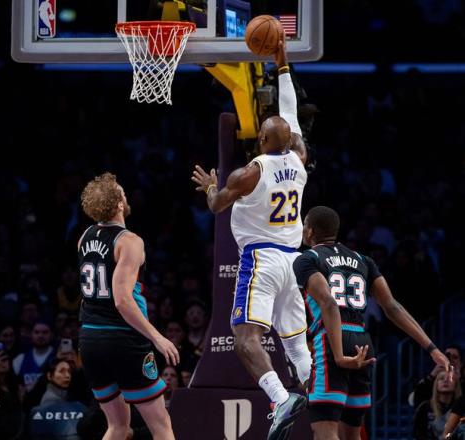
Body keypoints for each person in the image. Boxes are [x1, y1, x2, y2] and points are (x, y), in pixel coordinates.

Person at [191, 39, 360, 440]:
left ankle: (280, 398)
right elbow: (290, 111)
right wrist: (282, 64)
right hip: (294, 260)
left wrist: (211, 186)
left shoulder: (248, 173)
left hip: (262, 259)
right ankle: (322, 400)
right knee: (296, 344)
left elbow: (216, 206)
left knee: (244, 338)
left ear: (263, 141)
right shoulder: (300, 158)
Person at [293, 206, 451, 440]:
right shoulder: (362, 260)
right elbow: (392, 307)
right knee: (352, 434)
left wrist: (339, 356)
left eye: (305, 224)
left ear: (310, 231)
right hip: (362, 342)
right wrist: (432, 348)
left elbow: (329, 303)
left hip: (331, 341)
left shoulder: (307, 259)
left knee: (324, 431)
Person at [78, 172, 179, 440]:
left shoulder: (84, 237)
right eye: (122, 192)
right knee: (161, 425)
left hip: (90, 338)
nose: (125, 194)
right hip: (123, 339)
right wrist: (157, 337)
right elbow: (122, 299)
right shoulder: (129, 241)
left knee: (118, 426)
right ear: (119, 203)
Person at [414, 370, 462, 439]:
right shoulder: (425, 407)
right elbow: (419, 434)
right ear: (436, 385)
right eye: (441, 378)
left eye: (450, 378)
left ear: (456, 385)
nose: (446, 381)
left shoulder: (461, 408)